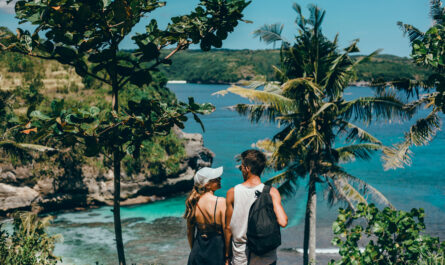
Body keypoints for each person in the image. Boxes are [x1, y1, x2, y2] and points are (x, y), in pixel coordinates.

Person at [225, 149, 288, 265]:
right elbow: (283, 221)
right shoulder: (272, 192)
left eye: (241, 167)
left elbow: (228, 228)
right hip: (266, 255)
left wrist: (227, 256)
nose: (241, 170)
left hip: (241, 255)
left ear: (247, 169)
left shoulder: (232, 193)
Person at [185, 166, 227, 265]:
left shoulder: (193, 202)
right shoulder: (221, 202)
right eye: (216, 179)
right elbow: (227, 231)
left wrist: (194, 249)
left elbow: (190, 232)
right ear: (207, 185)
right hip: (216, 253)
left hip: (197, 251)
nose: (220, 179)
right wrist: (228, 255)